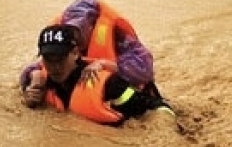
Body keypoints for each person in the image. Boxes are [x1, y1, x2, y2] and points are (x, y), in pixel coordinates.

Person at [19, 25, 172, 125]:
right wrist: (29, 100)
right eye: (48, 59)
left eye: (60, 59)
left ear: (75, 53)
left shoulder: (108, 84)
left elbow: (158, 109)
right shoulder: (39, 82)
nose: (55, 66)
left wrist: (163, 133)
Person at [54, 0, 155, 88]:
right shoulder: (64, 42)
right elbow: (45, 62)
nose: (74, 38)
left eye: (78, 30)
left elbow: (145, 70)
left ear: (92, 26)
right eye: (69, 31)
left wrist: (103, 64)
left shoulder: (117, 37)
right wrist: (38, 74)